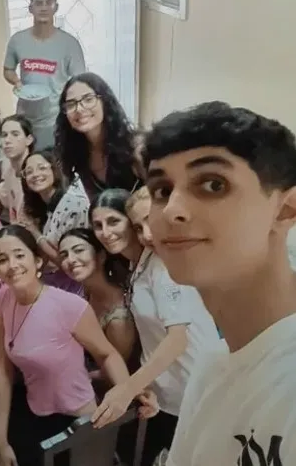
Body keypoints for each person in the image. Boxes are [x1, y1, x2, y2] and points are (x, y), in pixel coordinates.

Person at [143, 101, 296, 465]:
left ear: (285, 209)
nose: (172, 209)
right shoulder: (212, 366)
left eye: (213, 184)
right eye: (161, 190)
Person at [0, 225, 154, 466]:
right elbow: (2, 368)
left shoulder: (68, 306)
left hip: (78, 416)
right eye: (2, 259)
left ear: (38, 261)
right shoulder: (4, 298)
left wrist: (129, 390)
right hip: (37, 409)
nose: (12, 265)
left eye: (19, 255)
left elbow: (106, 354)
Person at [89, 188, 220, 466]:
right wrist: (145, 386)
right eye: (98, 225)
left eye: (114, 222)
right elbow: (153, 337)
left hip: (196, 392)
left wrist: (127, 389)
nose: (106, 232)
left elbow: (177, 339)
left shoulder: (163, 267)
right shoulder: (139, 266)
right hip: (169, 395)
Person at [3, 0, 86, 150]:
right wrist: (17, 82)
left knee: (51, 162)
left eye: (49, 3)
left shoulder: (70, 44)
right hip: (24, 118)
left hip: (54, 119)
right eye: (38, 3)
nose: (44, 8)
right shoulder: (17, 40)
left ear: (56, 7)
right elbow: (8, 70)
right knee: (25, 160)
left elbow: (80, 82)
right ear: (30, 8)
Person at [55, 72, 141, 199]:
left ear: (105, 101)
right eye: (71, 104)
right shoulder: (75, 155)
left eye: (88, 99)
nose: (79, 109)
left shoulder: (134, 146)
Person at [58, 228, 137, 366]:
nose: (70, 260)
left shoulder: (118, 320)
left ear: (101, 256)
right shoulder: (87, 289)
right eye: (64, 255)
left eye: (79, 250)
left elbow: (116, 371)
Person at [20, 150, 89, 270]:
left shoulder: (73, 206)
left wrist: (35, 233)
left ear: (54, 170)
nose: (35, 174)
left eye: (42, 168)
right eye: (29, 172)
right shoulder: (42, 204)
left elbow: (67, 263)